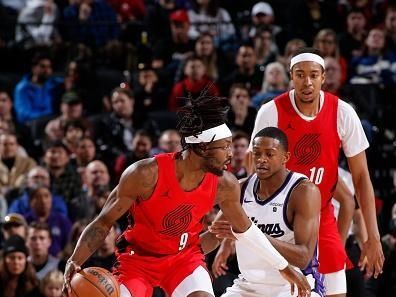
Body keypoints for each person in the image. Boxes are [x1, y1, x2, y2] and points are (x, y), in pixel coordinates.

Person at [63, 94, 311, 297]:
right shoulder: (145, 174)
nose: (231, 154)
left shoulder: (225, 184)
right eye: (224, 147)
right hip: (138, 261)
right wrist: (74, 260)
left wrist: (284, 266)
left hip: (184, 259)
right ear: (202, 147)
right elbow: (103, 222)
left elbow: (245, 228)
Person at [248, 47, 384, 297]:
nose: (307, 82)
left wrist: (372, 237)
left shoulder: (343, 112)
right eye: (300, 75)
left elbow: (361, 178)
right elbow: (253, 170)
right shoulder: (271, 111)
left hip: (321, 217)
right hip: (278, 219)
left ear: (323, 77)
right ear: (291, 76)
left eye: (313, 75)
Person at [211, 127, 324, 297]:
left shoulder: (303, 192)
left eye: (269, 154)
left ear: (285, 157)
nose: (261, 159)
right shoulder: (241, 188)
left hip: (294, 286)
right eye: (257, 154)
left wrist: (247, 235)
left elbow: (303, 257)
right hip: (248, 286)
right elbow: (215, 233)